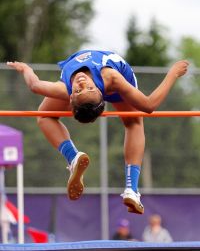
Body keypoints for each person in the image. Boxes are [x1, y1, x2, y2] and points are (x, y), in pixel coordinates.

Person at [7, 50, 189, 214]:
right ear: (70, 99)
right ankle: (122, 184)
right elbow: (149, 105)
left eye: (81, 90)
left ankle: (123, 185)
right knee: (132, 122)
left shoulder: (74, 86)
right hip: (109, 83)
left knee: (45, 116)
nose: (81, 83)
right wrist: (173, 74)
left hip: (116, 82)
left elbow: (34, 85)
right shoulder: (102, 80)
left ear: (70, 96)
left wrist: (25, 69)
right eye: (84, 88)